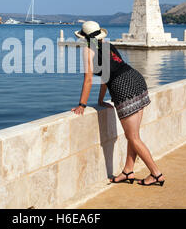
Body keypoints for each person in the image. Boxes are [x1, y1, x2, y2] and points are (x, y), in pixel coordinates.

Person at [71, 21, 165, 186]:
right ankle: (128, 171)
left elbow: (88, 79)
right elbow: (106, 76)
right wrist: (100, 100)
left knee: (133, 137)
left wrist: (82, 105)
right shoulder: (108, 45)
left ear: (84, 37)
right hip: (136, 79)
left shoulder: (88, 50)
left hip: (124, 88)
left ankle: (156, 174)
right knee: (133, 135)